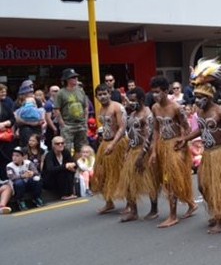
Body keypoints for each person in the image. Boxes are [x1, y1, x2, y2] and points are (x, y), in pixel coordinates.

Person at [176, 81, 221, 234]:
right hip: (208, 154)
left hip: (220, 153)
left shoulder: (220, 111)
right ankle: (217, 212)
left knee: (218, 187)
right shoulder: (200, 111)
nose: (197, 100)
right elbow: (202, 130)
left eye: (200, 97)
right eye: (196, 96)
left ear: (209, 97)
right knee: (203, 186)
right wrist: (186, 138)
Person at [149, 76, 197, 228]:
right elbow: (156, 130)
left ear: (165, 91)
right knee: (168, 181)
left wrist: (182, 143)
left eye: (157, 92)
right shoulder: (155, 108)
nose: (155, 95)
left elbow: (187, 128)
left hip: (176, 146)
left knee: (171, 181)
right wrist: (154, 151)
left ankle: (173, 216)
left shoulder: (176, 108)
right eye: (153, 92)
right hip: (162, 146)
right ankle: (191, 204)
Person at [115, 87, 158, 222]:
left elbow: (149, 136)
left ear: (141, 100)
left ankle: (154, 209)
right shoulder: (132, 115)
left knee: (150, 182)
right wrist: (127, 150)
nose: (131, 103)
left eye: (133, 100)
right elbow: (131, 135)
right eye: (130, 100)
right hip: (133, 150)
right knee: (128, 181)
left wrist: (142, 155)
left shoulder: (148, 114)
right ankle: (133, 211)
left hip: (144, 151)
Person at [91, 84, 128, 214]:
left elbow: (122, 128)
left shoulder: (117, 107)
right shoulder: (100, 109)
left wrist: (113, 144)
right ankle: (109, 202)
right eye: (100, 95)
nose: (103, 96)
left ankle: (130, 203)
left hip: (118, 144)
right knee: (102, 173)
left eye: (105, 93)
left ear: (109, 94)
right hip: (105, 144)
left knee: (122, 173)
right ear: (96, 97)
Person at [54, 68, 89, 158]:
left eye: (76, 77)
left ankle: (81, 167)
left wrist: (85, 121)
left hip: (81, 124)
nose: (75, 79)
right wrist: (62, 124)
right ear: (67, 80)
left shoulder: (81, 91)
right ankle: (67, 168)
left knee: (82, 149)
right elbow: (57, 109)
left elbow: (85, 106)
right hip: (68, 125)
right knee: (66, 149)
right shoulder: (61, 93)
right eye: (72, 77)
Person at [7, 146, 44, 210]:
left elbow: (36, 172)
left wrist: (32, 173)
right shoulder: (9, 166)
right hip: (17, 187)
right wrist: (23, 176)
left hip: (28, 183)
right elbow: (12, 177)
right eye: (13, 155)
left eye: (17, 156)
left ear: (23, 157)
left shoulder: (28, 162)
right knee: (19, 183)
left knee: (37, 179)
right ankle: (20, 201)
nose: (14, 157)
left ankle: (36, 197)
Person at [0, 84, 16, 182]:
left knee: (6, 158)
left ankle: (6, 179)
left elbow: (13, 119)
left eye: (5, 91)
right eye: (1, 91)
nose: (4, 93)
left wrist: (6, 123)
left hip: (5, 137)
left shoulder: (7, 103)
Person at [44, 85, 60, 151]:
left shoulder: (61, 102)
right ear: (50, 92)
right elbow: (48, 118)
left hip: (61, 126)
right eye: (54, 91)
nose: (57, 92)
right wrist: (54, 128)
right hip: (52, 127)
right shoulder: (49, 104)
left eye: (58, 91)